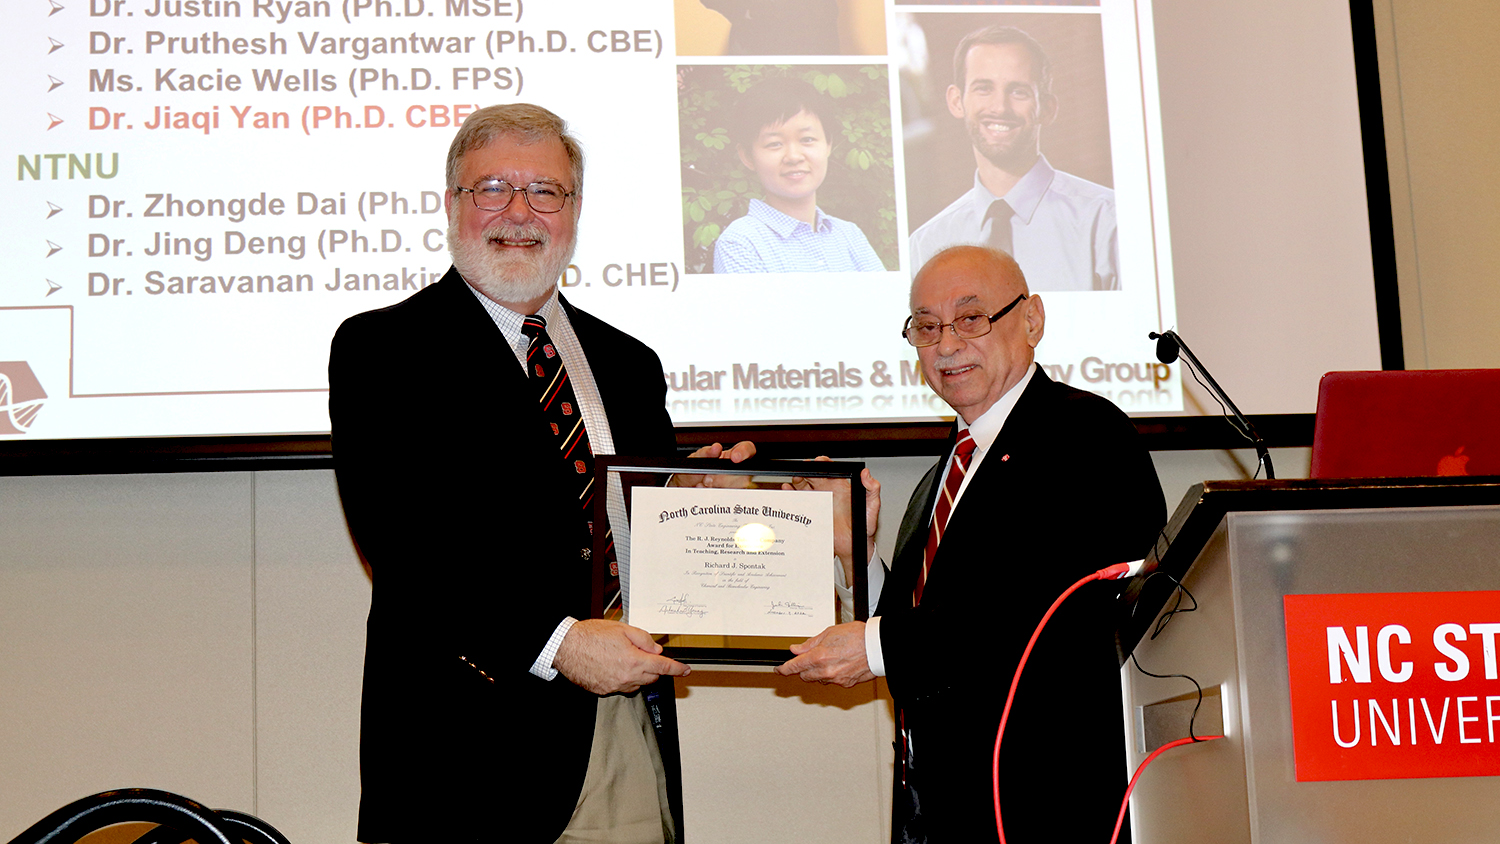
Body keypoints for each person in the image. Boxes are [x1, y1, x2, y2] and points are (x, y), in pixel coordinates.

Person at [330, 103, 748, 843]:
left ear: (575, 208)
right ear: (453, 203)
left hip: (622, 734)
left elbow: (635, 529)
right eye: (492, 188)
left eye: (545, 192)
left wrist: (703, 505)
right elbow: (406, 549)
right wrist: (559, 643)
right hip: (463, 766)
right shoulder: (383, 350)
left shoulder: (627, 362)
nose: (519, 213)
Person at [777, 245, 1165, 842]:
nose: (947, 344)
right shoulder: (947, 472)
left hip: (1047, 805)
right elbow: (927, 630)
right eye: (927, 327)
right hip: (944, 807)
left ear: (1031, 319)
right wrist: (856, 552)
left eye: (970, 318)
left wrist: (877, 645)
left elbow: (1046, 610)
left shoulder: (1084, 435)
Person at [908, 24, 1120, 291]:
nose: (1000, 107)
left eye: (1018, 91)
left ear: (1048, 108)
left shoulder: (1106, 222)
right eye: (984, 88)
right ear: (956, 101)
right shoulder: (926, 245)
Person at [713, 77, 886, 274]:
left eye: (807, 139)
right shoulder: (740, 243)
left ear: (828, 144)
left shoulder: (849, 236)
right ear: (747, 156)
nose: (794, 157)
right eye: (774, 143)